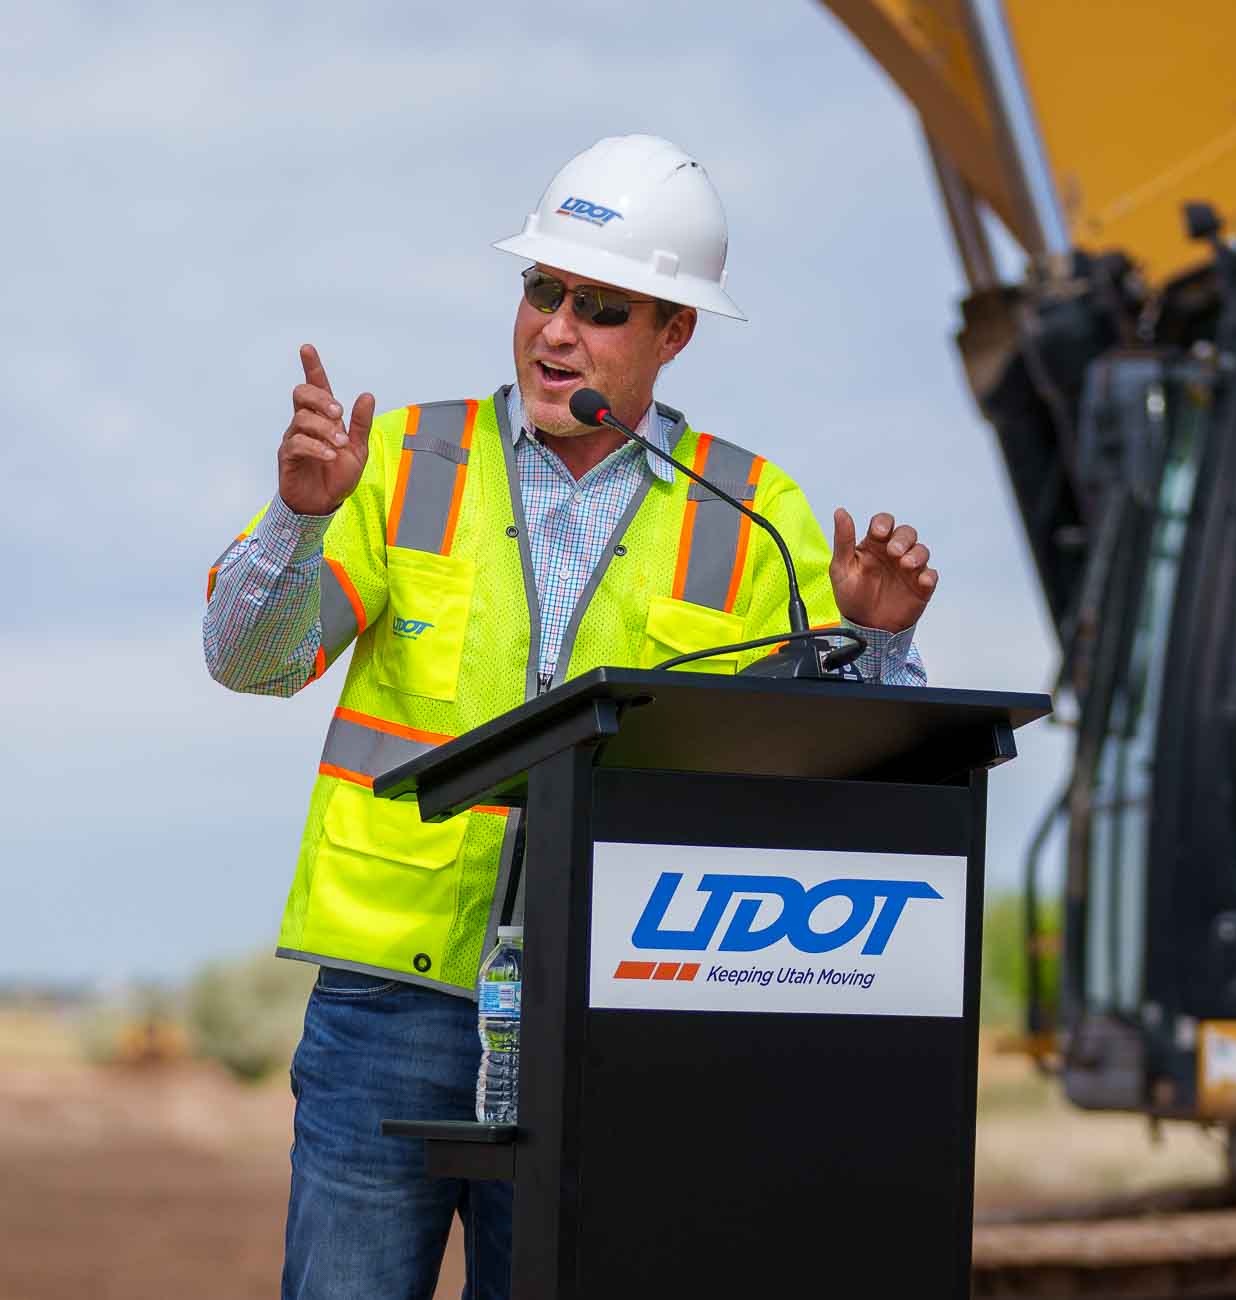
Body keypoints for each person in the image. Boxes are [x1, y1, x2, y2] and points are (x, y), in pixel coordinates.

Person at [202, 134, 939, 1300]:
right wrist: (297, 524)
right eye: (543, 290)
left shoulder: (749, 513)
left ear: (674, 333)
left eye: (600, 307)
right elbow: (249, 662)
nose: (556, 328)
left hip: (615, 1022)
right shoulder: (398, 460)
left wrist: (879, 643)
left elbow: (837, 773)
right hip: (390, 1002)